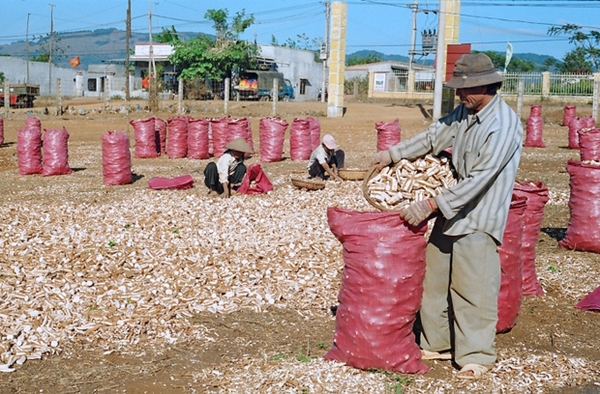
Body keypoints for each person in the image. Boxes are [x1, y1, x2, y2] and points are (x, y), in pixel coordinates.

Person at [372, 53, 523, 380]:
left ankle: (476, 355)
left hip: (479, 215)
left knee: (473, 287)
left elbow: (480, 179)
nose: (459, 94)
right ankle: (438, 343)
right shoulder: (466, 112)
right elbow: (434, 136)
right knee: (435, 279)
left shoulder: (503, 125)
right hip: (451, 210)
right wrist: (393, 154)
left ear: (486, 85)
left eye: (464, 88)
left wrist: (430, 205)